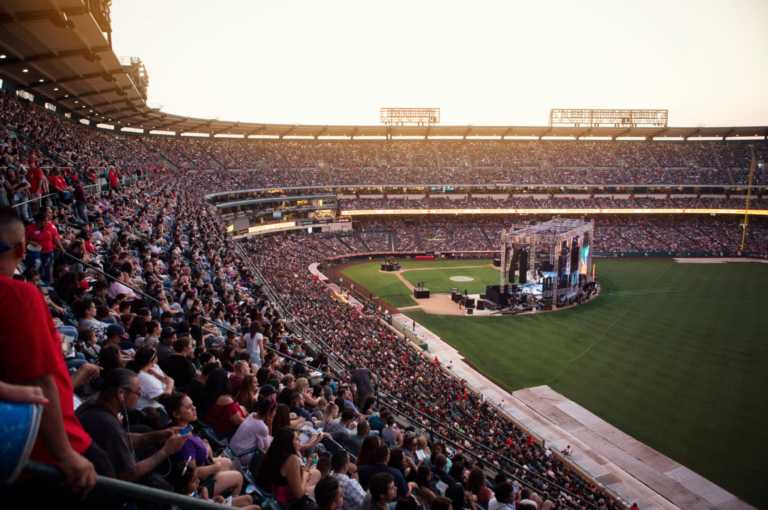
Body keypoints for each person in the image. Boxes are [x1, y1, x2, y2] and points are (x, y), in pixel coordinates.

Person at [0, 206, 97, 495]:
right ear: (21, 249)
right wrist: (65, 453)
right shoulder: (18, 293)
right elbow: (41, 380)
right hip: (38, 448)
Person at [75, 368, 186, 483]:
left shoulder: (92, 403)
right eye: (138, 392)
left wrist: (157, 436)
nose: (139, 396)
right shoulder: (108, 424)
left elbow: (120, 439)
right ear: (121, 394)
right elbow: (128, 475)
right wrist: (166, 451)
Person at [162, 392, 246, 498]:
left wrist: (207, 450)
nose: (194, 408)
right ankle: (229, 502)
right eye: (189, 407)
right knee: (238, 477)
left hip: (204, 462)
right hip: (200, 484)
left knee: (228, 462)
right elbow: (192, 474)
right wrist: (216, 467)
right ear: (176, 414)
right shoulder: (183, 441)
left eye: (193, 405)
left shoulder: (181, 427)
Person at [255, 426, 310, 507]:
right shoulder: (292, 459)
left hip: (264, 492)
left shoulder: (274, 450)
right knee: (313, 481)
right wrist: (305, 475)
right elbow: (299, 494)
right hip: (277, 502)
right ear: (288, 443)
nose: (300, 441)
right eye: (296, 439)